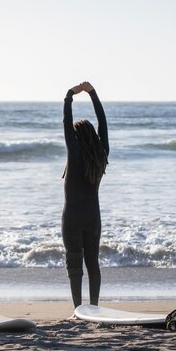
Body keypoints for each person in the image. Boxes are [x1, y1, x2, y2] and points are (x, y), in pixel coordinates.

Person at [62, 81, 109, 308]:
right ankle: (95, 307)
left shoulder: (74, 152)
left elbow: (66, 123)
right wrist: (92, 94)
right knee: (92, 263)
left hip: (71, 217)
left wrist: (69, 96)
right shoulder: (101, 155)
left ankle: (78, 308)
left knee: (74, 264)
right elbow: (103, 123)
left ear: (76, 137)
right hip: (93, 216)